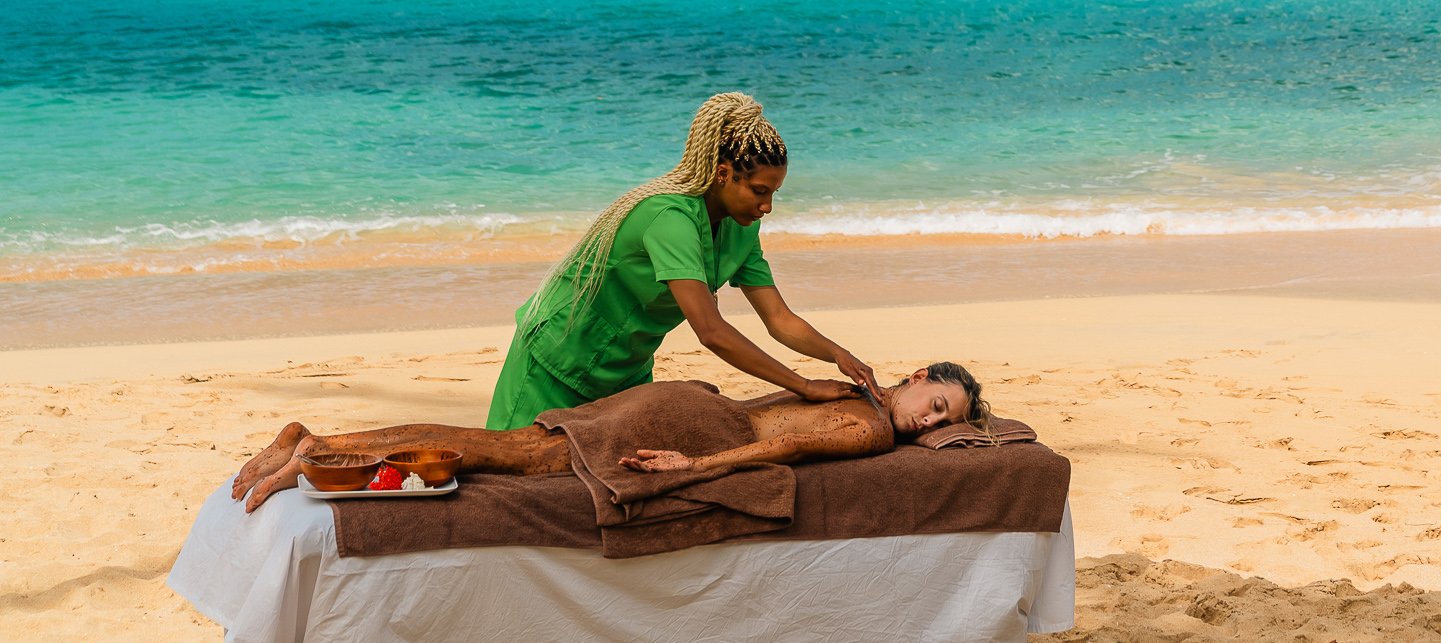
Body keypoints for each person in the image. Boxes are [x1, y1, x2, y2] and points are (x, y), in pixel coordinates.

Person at [483, 92, 877, 429]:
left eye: (774, 193)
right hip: (556, 359)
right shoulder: (669, 219)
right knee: (506, 478)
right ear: (723, 174)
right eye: (759, 191)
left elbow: (779, 318)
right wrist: (803, 385)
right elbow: (711, 331)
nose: (767, 206)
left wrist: (840, 356)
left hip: (627, 368)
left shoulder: (741, 229)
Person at [231, 363, 986, 511]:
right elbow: (780, 447)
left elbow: (780, 421)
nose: (931, 421)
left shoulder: (849, 390)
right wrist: (697, 461)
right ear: (915, 375)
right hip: (690, 421)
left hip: (684, 401)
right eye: (937, 401)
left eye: (945, 421)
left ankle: (315, 438)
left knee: (507, 444)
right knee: (505, 450)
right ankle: (319, 448)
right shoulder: (866, 425)